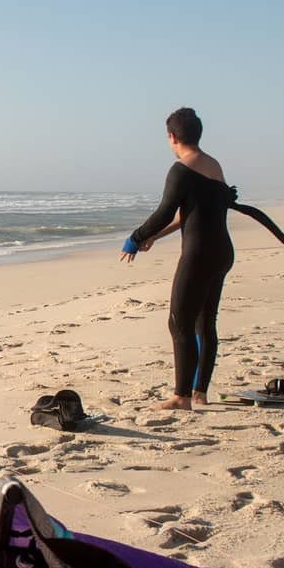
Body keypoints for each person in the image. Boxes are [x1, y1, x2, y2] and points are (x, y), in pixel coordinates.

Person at [120, 107, 233, 410]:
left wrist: (136, 237)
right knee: (205, 323)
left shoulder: (181, 169)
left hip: (198, 255)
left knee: (179, 322)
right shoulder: (213, 166)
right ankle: (199, 393)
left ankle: (181, 397)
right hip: (222, 252)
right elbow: (189, 213)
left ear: (171, 136)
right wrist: (155, 237)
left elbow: (165, 211)